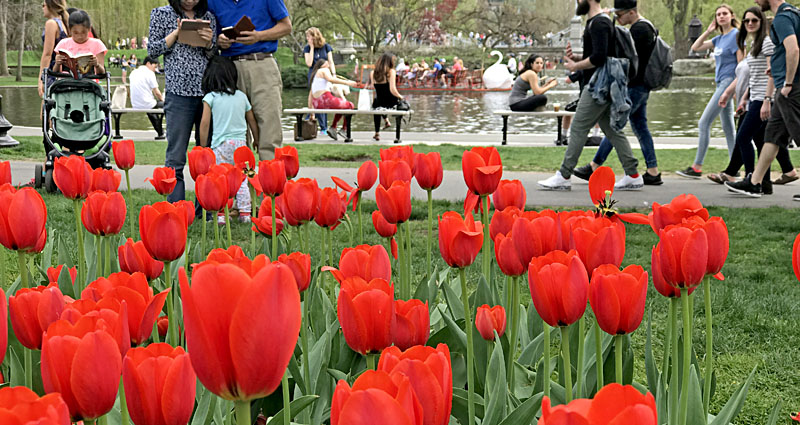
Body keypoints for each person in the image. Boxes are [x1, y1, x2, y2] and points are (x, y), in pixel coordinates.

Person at [538, 0, 641, 191]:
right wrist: (578, 57)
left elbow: (599, 58)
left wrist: (575, 66)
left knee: (578, 127)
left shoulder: (600, 23)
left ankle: (564, 175)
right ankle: (633, 174)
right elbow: (598, 55)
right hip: (602, 84)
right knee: (611, 130)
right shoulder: (596, 21)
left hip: (598, 87)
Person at [572, 0, 663, 185]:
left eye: (620, 15)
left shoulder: (640, 30)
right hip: (641, 85)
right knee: (640, 127)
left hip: (634, 85)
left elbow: (623, 55)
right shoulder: (646, 27)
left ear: (631, 12)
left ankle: (595, 166)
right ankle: (653, 172)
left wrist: (608, 25)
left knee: (614, 127)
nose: (617, 18)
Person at [708, 7, 791, 193]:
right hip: (754, 98)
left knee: (743, 137)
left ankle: (752, 179)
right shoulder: (754, 44)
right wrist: (744, 98)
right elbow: (755, 76)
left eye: (754, 20)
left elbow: (772, 74)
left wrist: (767, 100)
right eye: (747, 21)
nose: (750, 23)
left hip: (763, 98)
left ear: (761, 23)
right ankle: (765, 184)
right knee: (760, 140)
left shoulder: (767, 43)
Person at [725, 0, 800, 198]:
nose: (756, 1)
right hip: (782, 84)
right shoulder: (794, 13)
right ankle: (755, 183)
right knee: (772, 136)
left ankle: (756, 180)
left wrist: (789, 82)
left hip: (789, 87)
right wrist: (776, 69)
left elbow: (793, 49)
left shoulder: (782, 18)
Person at [148, 0, 215, 204]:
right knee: (176, 156)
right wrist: (175, 35)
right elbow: (152, 50)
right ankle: (176, 208)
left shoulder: (208, 16)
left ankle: (205, 209)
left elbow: (215, 55)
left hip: (206, 94)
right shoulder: (161, 14)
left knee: (206, 155)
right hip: (178, 93)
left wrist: (210, 43)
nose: (189, 0)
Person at [208, 0, 292, 160]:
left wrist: (259, 36)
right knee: (235, 133)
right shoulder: (214, 2)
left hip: (262, 63)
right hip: (229, 68)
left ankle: (270, 182)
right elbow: (210, 33)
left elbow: (286, 26)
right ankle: (242, 183)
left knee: (269, 126)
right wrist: (219, 41)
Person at [677, 4, 739, 178]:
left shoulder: (736, 36)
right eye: (718, 14)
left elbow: (741, 64)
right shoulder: (718, 39)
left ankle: (697, 167)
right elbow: (695, 48)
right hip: (720, 83)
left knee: (704, 123)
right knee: (728, 128)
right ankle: (734, 169)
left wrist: (734, 88)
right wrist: (708, 31)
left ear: (732, 16)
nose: (721, 17)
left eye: (725, 13)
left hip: (727, 84)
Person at [198, 56, 257, 224]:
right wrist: (256, 139)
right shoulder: (241, 96)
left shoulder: (211, 97)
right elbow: (251, 119)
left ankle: (222, 216)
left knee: (221, 181)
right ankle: (246, 213)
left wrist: (203, 147)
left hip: (221, 145)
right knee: (244, 179)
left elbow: (204, 123)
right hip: (241, 146)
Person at [308, 59, 357, 140]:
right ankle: (342, 129)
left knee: (343, 106)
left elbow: (310, 97)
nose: (329, 64)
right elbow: (331, 79)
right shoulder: (324, 70)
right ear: (322, 65)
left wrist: (311, 113)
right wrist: (348, 83)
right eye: (327, 62)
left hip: (317, 104)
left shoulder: (315, 78)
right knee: (350, 105)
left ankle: (334, 127)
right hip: (325, 100)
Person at [53, 10, 107, 76]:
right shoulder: (63, 44)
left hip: (89, 82)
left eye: (83, 32)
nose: (80, 36)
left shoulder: (97, 44)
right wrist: (57, 63)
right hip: (66, 82)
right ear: (69, 30)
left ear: (89, 29)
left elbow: (102, 73)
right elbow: (56, 72)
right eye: (75, 33)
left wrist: (97, 65)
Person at [303, 27, 334, 135]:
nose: (307, 39)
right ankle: (312, 122)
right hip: (314, 75)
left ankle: (322, 126)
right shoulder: (307, 48)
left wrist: (333, 75)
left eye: (309, 36)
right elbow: (309, 63)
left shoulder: (326, 47)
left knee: (323, 100)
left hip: (325, 75)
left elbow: (330, 61)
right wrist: (311, 47)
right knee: (315, 99)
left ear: (314, 36)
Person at [129, 55, 166, 139]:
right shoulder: (149, 73)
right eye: (154, 66)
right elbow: (157, 93)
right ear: (148, 63)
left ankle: (160, 132)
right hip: (147, 103)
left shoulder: (133, 72)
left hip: (135, 104)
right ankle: (161, 132)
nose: (155, 69)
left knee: (151, 108)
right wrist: (163, 101)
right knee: (166, 105)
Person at [371, 53, 404, 141]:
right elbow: (392, 89)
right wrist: (401, 96)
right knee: (381, 105)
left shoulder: (373, 73)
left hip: (379, 101)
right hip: (391, 101)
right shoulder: (391, 72)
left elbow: (373, 88)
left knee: (376, 105)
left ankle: (377, 133)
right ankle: (397, 135)